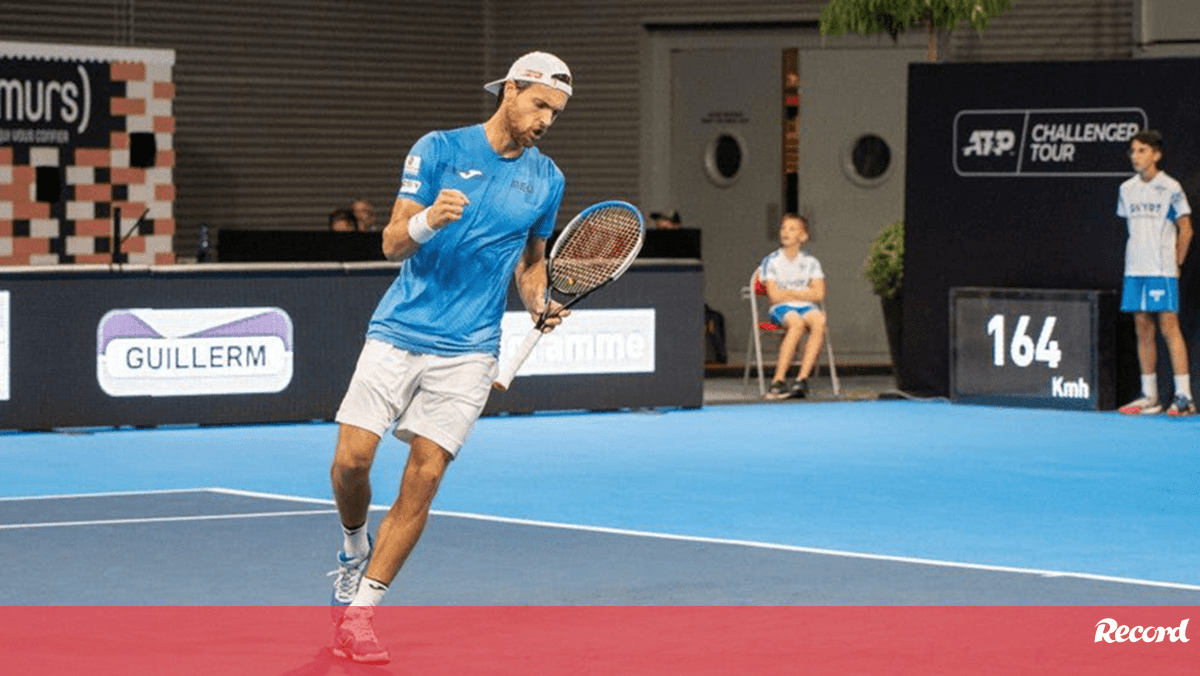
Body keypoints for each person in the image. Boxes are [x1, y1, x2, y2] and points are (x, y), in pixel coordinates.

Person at [326, 51, 574, 664]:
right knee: (352, 464)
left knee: (427, 473)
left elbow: (531, 262)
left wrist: (540, 301)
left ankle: (362, 613)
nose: (546, 120)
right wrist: (430, 221)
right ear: (510, 91)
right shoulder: (437, 148)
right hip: (397, 331)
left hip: (469, 351)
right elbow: (389, 243)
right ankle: (353, 546)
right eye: (539, 104)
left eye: (556, 112)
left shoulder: (547, 179)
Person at [1116, 129, 1194, 416]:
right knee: (1142, 328)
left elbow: (1186, 230)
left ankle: (1184, 396)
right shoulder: (1126, 189)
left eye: (1142, 151)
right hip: (1135, 269)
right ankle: (1150, 396)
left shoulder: (1170, 188)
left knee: (1169, 328)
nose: (1136, 156)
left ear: (1156, 154)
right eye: (1133, 151)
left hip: (1162, 270)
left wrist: (1177, 264)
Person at [758, 213, 826, 400]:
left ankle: (801, 379)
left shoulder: (812, 263)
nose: (786, 232)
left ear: (803, 237)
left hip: (807, 307)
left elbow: (819, 294)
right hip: (782, 309)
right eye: (783, 228)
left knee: (819, 321)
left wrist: (790, 293)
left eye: (792, 228)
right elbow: (774, 296)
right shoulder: (771, 261)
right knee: (795, 323)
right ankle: (778, 380)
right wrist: (803, 292)